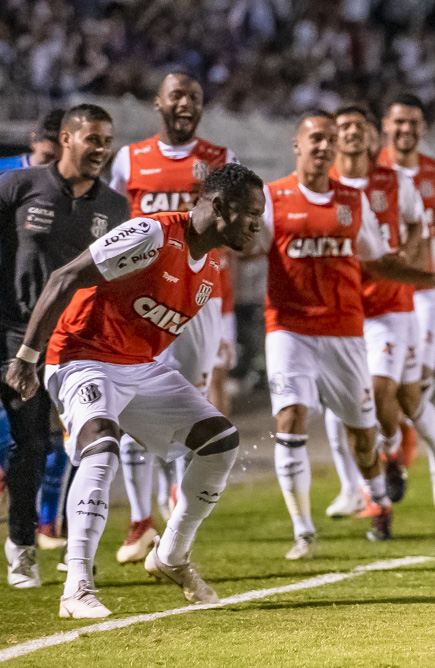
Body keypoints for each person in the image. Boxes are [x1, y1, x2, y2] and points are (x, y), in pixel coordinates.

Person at [5, 163, 265, 618]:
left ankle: (171, 556)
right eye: (251, 212)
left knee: (221, 442)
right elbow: (65, 277)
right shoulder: (151, 234)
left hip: (137, 367)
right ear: (220, 207)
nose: (258, 223)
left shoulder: (208, 270)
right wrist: (27, 358)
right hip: (80, 355)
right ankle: (77, 587)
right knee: (101, 447)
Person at [261, 112, 435, 556]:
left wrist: (427, 275)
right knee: (292, 417)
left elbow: (383, 258)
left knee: (384, 411)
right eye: (318, 136)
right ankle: (304, 530)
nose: (328, 143)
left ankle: (391, 481)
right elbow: (245, 243)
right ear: (297, 145)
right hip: (289, 327)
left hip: (364, 318)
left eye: (332, 137)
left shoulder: (361, 199)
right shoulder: (271, 197)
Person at [109, 72, 239, 564]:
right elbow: (117, 224)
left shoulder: (221, 161)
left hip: (199, 302)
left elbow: (237, 237)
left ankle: (173, 503)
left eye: (195, 97)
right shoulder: (129, 159)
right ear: (157, 101)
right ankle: (140, 521)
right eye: (177, 95)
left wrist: (226, 314)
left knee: (187, 406)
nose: (186, 103)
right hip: (140, 300)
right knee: (127, 403)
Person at [0, 104, 130, 589]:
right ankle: (22, 547)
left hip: (79, 339)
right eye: (92, 139)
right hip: (14, 334)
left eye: (106, 141)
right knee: (30, 443)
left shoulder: (115, 208)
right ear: (68, 139)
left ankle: (77, 547)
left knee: (90, 443)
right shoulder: (20, 187)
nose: (100, 149)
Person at [324, 107, 435, 516]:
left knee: (393, 392)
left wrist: (409, 263)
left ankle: (431, 459)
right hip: (344, 307)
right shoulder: (324, 185)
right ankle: (353, 486)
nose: (351, 134)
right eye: (342, 127)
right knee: (340, 399)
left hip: (394, 304)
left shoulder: (396, 183)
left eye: (357, 127)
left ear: (370, 136)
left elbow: (422, 225)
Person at [377, 94, 435, 501]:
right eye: (399, 122)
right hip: (375, 292)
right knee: (379, 387)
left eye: (413, 123)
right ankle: (392, 459)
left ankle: (414, 459)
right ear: (385, 126)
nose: (406, 130)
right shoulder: (369, 172)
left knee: (418, 385)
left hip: (422, 292)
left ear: (423, 128)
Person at [0, 108, 69, 552]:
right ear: (33, 143)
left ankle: (47, 523)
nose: (49, 165)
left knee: (52, 427)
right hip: (7, 317)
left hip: (44, 322)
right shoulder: (8, 179)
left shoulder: (73, 193)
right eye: (44, 154)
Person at [0, 108, 63, 173]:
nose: (53, 166)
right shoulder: (4, 170)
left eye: (61, 161)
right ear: (33, 142)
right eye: (47, 157)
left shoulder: (69, 179)